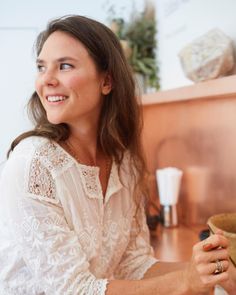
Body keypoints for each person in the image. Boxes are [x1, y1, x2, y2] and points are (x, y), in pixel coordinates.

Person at [0, 14, 236, 295]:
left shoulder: (127, 164)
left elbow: (133, 264)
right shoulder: (32, 164)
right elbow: (74, 290)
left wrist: (211, 273)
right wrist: (184, 281)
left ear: (107, 81)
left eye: (64, 66)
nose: (46, 80)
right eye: (41, 67)